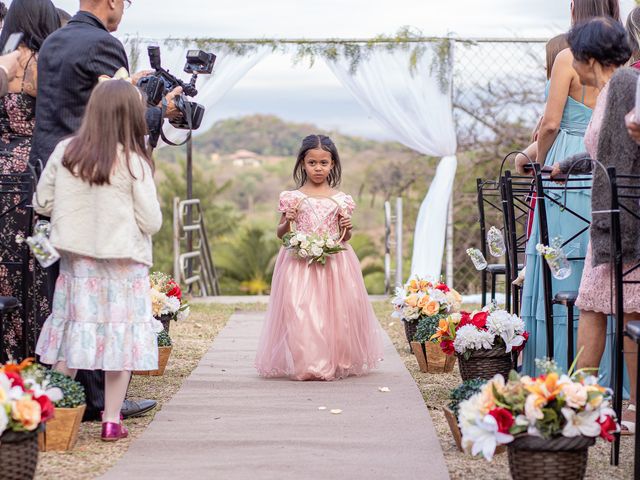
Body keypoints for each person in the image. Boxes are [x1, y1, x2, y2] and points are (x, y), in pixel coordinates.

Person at [29, 0, 180, 421]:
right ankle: (100, 405)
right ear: (113, 1)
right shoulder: (104, 43)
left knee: (71, 310)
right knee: (107, 318)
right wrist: (156, 112)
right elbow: (110, 114)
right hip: (99, 184)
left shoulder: (52, 42)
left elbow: (77, 104)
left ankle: (56, 407)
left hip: (57, 179)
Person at [34, 80, 163, 441]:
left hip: (79, 263)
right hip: (125, 264)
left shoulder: (66, 151)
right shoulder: (134, 161)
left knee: (75, 333)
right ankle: (110, 420)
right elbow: (151, 221)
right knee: (120, 339)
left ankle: (53, 416)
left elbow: (42, 203)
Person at [520, 0, 620, 376]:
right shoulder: (623, 62)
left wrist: (539, 163)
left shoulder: (569, 56)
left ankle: (555, 369)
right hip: (605, 161)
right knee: (598, 266)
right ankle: (610, 373)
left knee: (556, 259)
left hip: (564, 163)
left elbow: (549, 123)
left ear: (576, 11)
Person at [551, 17, 638, 434]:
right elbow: (607, 152)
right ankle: (580, 404)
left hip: (626, 225)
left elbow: (622, 162)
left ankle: (631, 411)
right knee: (594, 306)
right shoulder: (610, 92)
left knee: (629, 311)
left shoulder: (624, 86)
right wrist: (569, 163)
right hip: (610, 222)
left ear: (587, 57)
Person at [255, 135, 384, 381]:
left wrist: (348, 226)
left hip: (335, 263)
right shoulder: (292, 198)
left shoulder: (341, 199)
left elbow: (345, 237)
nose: (318, 168)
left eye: (324, 163)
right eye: (312, 162)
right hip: (298, 262)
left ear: (333, 164)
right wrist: (288, 219)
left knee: (336, 312)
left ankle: (335, 360)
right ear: (303, 163)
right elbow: (280, 233)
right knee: (300, 312)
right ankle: (311, 364)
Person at [0, 0, 60, 361]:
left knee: (5, 269)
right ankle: (37, 361)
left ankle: (8, 360)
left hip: (2, 178)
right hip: (33, 181)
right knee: (38, 270)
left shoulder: (4, 63)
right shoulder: (42, 65)